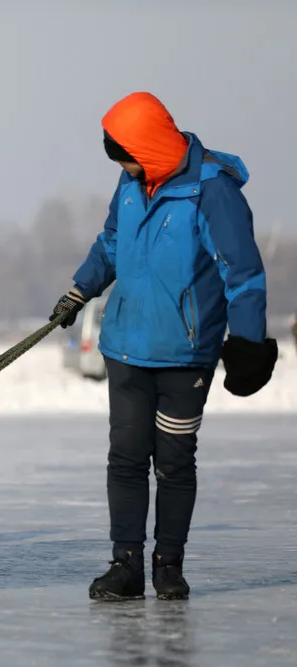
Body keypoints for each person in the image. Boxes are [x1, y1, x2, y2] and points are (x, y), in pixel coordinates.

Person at [50, 92, 277, 601]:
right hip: (126, 347)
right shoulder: (132, 184)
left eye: (126, 157)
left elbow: (242, 273)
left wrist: (247, 343)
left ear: (148, 147)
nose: (123, 168)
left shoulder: (212, 190)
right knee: (126, 458)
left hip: (185, 354)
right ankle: (126, 564)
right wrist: (81, 289)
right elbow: (112, 241)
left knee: (173, 462)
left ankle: (168, 565)